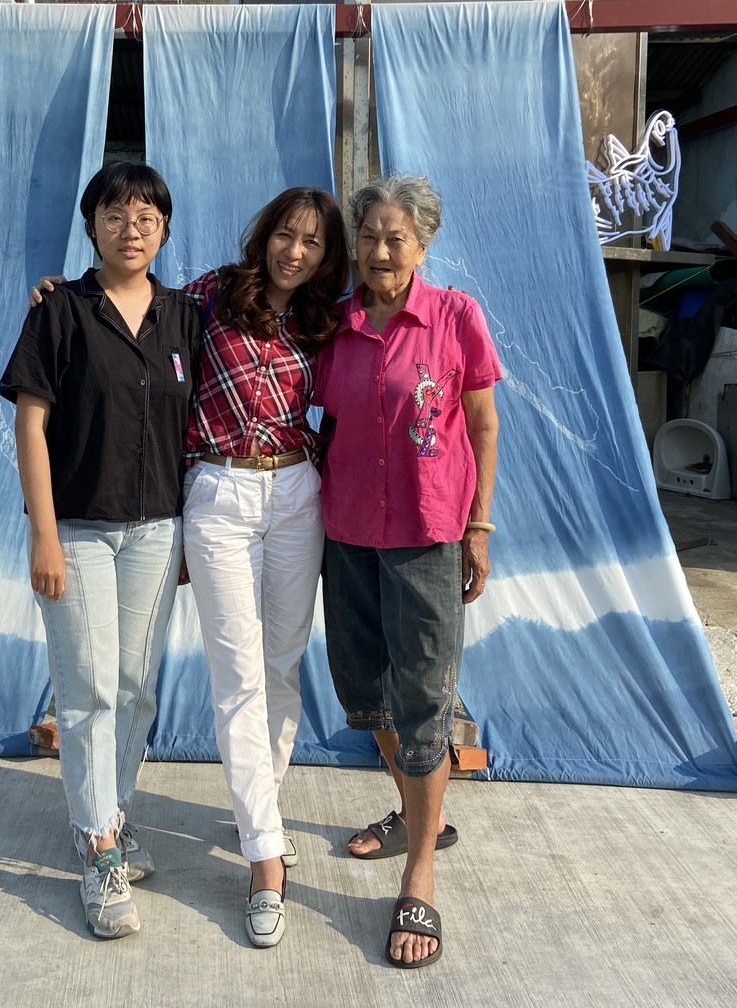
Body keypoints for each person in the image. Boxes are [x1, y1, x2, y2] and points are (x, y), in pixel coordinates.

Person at [31, 187, 350, 949]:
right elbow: (127, 311)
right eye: (284, 234)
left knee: (281, 668)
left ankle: (261, 818)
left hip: (296, 491)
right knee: (237, 674)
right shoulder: (209, 296)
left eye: (311, 241)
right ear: (263, 233)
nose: (294, 251)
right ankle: (265, 861)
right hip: (217, 491)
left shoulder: (327, 320)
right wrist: (56, 295)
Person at [0, 162, 203, 941]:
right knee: (87, 690)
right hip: (78, 529)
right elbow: (30, 425)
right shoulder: (60, 312)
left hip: (157, 529)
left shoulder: (186, 316)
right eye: (116, 214)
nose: (132, 228)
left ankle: (106, 815)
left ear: (164, 230)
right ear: (92, 226)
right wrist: (42, 531)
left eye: (148, 216)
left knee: (137, 687)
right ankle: (100, 848)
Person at [313, 174, 502, 969]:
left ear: (423, 245)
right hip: (347, 533)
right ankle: (415, 811)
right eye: (368, 237)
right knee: (364, 688)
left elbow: (484, 424)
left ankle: (419, 868)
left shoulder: (456, 317)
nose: (380, 250)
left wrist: (479, 525)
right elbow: (234, 310)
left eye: (396, 237)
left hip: (428, 535)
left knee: (424, 696)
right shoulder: (333, 323)